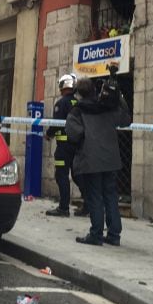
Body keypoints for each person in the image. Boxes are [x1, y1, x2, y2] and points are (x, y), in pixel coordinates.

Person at [66, 67, 132, 246]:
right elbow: (126, 120)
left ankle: (96, 234)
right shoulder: (108, 108)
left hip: (90, 159)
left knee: (95, 196)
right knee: (110, 195)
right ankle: (114, 235)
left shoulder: (77, 111)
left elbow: (73, 134)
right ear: (94, 91)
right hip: (110, 158)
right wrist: (119, 97)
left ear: (78, 93)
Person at [45, 73, 87, 217]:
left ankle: (63, 208)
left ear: (63, 86)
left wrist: (48, 134)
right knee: (77, 175)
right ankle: (88, 205)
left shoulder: (61, 103)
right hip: (77, 146)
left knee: (61, 175)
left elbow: (56, 124)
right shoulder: (78, 103)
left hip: (63, 147)